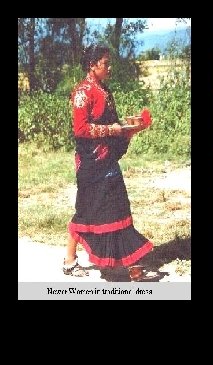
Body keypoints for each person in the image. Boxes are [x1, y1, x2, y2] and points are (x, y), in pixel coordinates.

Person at [64, 44, 152, 281]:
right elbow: (80, 129)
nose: (110, 67)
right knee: (86, 211)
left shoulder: (105, 91)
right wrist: (110, 130)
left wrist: (131, 130)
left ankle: (131, 265)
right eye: (106, 63)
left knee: (119, 207)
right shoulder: (83, 92)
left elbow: (115, 127)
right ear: (92, 65)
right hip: (90, 163)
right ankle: (70, 261)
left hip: (108, 161)